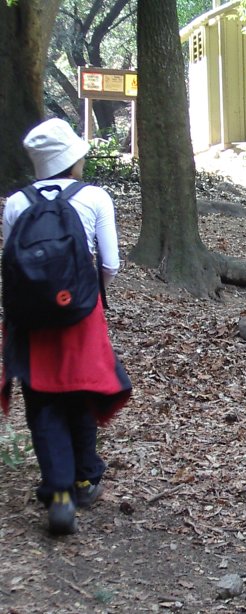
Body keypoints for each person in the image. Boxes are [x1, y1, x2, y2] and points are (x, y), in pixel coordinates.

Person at [2, 118, 131, 535]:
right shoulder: (95, 197)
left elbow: (12, 265)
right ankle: (85, 477)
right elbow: (110, 264)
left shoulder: (15, 203)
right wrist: (86, 294)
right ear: (72, 159)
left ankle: (58, 492)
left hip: (32, 321)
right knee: (81, 392)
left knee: (42, 402)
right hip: (82, 315)